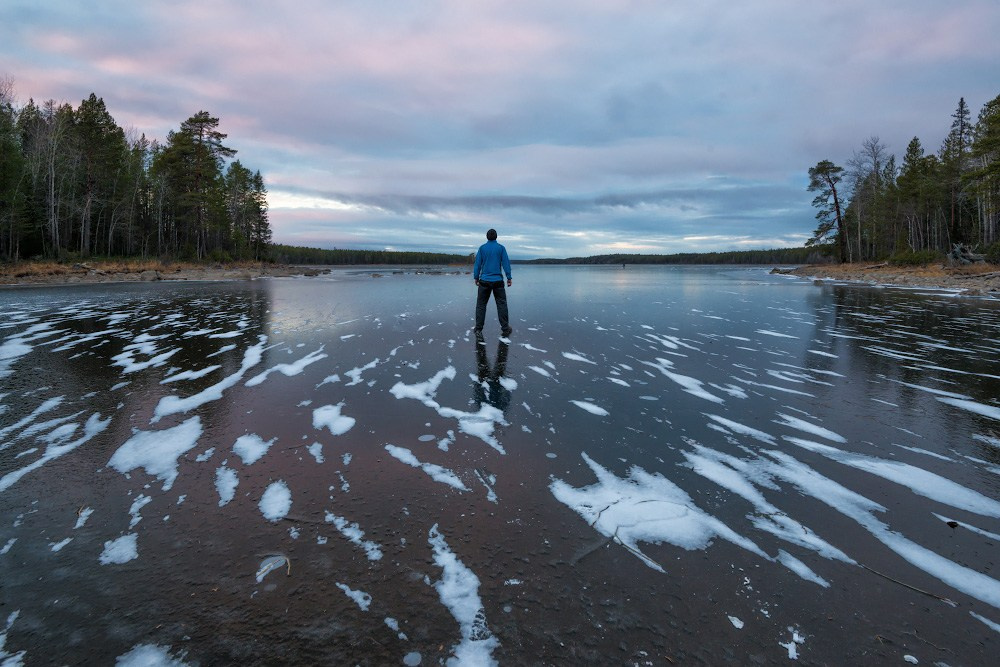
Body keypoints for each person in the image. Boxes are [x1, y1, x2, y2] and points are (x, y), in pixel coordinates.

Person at [473, 228, 512, 336]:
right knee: (501, 305)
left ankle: (478, 329)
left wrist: (476, 277)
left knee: (481, 305)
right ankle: (505, 328)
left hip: (484, 281)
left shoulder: (482, 248)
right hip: (498, 281)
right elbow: (506, 263)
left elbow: (477, 265)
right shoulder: (501, 248)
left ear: (487, 237)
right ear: (496, 237)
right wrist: (509, 277)